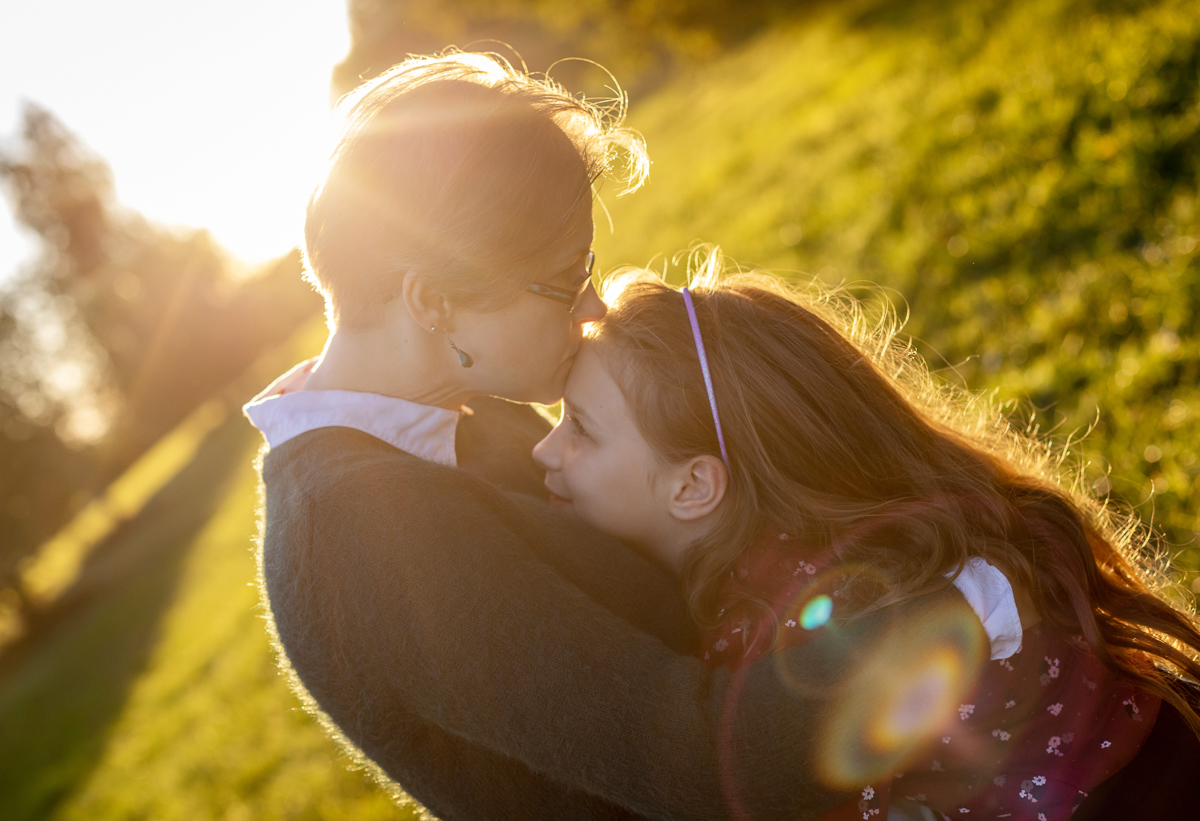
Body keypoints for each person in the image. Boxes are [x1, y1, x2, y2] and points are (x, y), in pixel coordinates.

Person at [246, 50, 977, 820]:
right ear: (433, 301)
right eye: (563, 278)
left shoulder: (462, 409)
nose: (591, 306)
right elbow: (689, 755)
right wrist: (954, 613)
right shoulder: (354, 533)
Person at [530, 256, 1200, 820]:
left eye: (581, 429)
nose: (544, 448)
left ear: (693, 486)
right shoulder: (816, 547)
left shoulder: (791, 632)